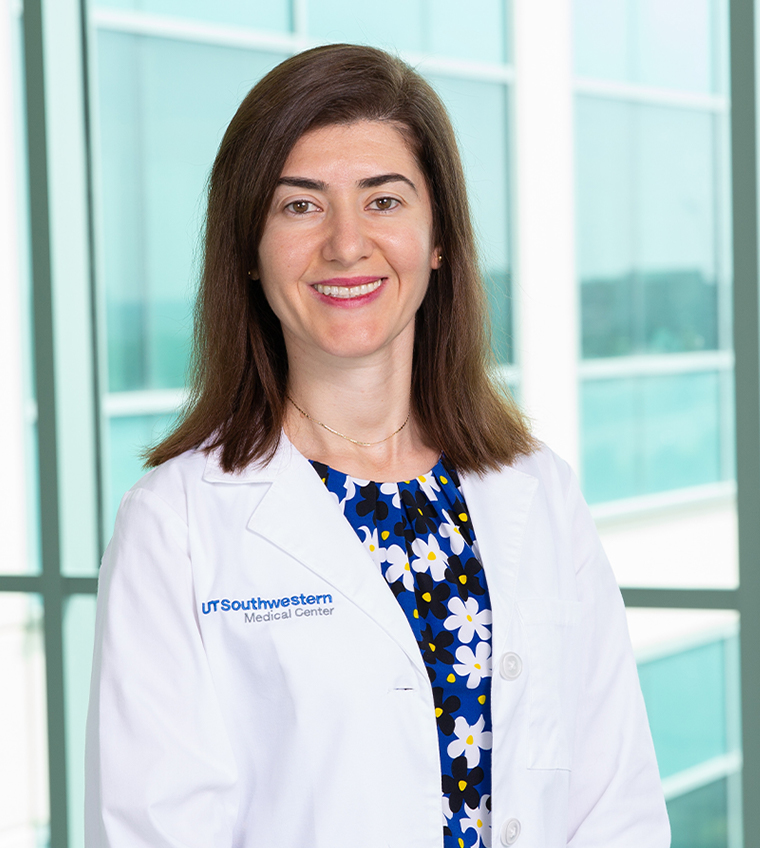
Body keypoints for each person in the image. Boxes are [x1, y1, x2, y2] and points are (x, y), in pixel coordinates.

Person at [85, 43, 670, 848]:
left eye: (384, 201)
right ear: (249, 251)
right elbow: (154, 831)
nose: (346, 243)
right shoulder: (175, 525)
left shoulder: (540, 492)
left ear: (439, 239)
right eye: (300, 206)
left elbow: (617, 801)